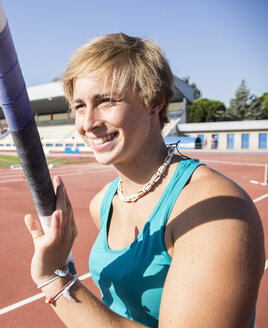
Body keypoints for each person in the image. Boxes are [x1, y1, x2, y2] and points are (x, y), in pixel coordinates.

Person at [24, 33, 265, 327]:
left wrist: (56, 280)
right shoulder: (103, 203)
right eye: (79, 106)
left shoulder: (216, 212)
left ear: (155, 102)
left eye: (106, 101)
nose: (88, 123)